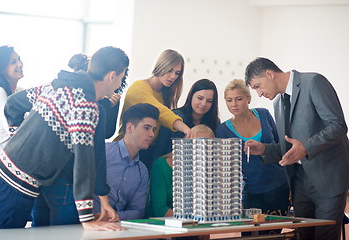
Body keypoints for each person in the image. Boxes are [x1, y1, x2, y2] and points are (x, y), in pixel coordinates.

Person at [0, 46, 129, 231]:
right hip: (16, 185)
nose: (121, 82)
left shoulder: (58, 86)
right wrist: (86, 219)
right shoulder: (85, 106)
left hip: (3, 173)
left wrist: (18, 141)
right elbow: (84, 162)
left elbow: (14, 104)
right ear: (112, 75)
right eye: (122, 76)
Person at [244, 57, 349, 240]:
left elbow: (338, 125)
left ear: (270, 74)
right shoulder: (277, 103)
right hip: (299, 183)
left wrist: (307, 147)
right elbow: (290, 147)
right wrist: (264, 150)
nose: (259, 93)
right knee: (303, 237)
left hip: (328, 181)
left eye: (258, 86)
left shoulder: (314, 82)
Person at [215, 79, 289, 235]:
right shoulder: (222, 131)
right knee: (249, 236)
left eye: (239, 99)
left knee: (272, 235)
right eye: (229, 100)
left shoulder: (264, 114)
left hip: (279, 186)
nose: (234, 104)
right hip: (252, 192)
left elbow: (281, 147)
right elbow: (227, 170)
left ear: (248, 98)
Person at [114, 49, 192, 171]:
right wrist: (186, 129)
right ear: (161, 66)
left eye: (177, 73)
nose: (173, 76)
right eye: (169, 70)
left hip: (146, 153)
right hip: (125, 151)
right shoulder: (139, 88)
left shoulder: (164, 94)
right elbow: (160, 111)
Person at [94, 103, 159, 221]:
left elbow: (138, 210)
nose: (152, 134)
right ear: (129, 127)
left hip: (116, 226)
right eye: (146, 128)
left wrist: (117, 217)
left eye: (153, 129)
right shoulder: (103, 152)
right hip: (86, 222)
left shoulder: (142, 171)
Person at [147, 124, 215, 218]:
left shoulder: (211, 169)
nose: (201, 149)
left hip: (195, 224)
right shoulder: (161, 165)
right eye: (196, 143)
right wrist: (194, 218)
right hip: (162, 225)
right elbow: (160, 210)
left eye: (207, 146)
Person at [154, 79, 220, 158]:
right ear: (191, 96)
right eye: (200, 98)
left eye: (209, 101)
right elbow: (159, 150)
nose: (203, 104)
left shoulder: (215, 122)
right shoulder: (175, 117)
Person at [68, 53, 127, 139]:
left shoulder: (112, 95)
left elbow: (107, 133)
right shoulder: (72, 95)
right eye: (120, 78)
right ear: (111, 76)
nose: (119, 84)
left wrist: (108, 106)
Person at [0, 46, 23, 166]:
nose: (20, 64)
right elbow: (11, 128)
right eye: (13, 62)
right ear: (1, 69)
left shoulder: (17, 92)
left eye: (19, 59)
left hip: (9, 160)